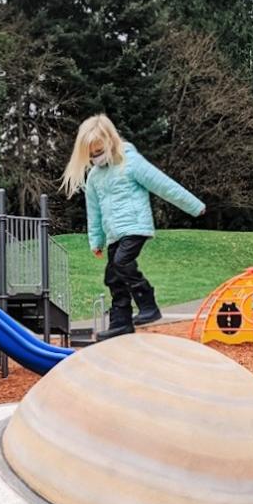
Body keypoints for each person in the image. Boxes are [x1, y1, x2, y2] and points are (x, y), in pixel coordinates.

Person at [61, 114, 206, 340]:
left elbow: (163, 185)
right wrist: (96, 241)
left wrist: (195, 206)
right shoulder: (94, 178)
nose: (96, 158)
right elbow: (94, 213)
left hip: (135, 226)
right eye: (91, 155)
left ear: (110, 142)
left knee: (122, 262)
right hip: (113, 234)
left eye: (99, 152)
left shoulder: (130, 163)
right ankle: (121, 322)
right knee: (112, 276)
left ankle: (148, 303)